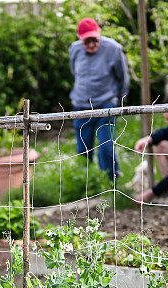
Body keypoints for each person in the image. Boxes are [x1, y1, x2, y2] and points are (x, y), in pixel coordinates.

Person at [68, 17, 129, 182]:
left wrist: (117, 101)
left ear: (99, 35)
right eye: (86, 42)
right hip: (81, 106)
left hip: (106, 104)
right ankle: (87, 184)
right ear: (79, 39)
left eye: (94, 40)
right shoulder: (74, 49)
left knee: (106, 146)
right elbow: (75, 72)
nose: (91, 45)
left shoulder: (114, 49)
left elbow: (123, 79)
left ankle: (111, 181)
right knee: (83, 150)